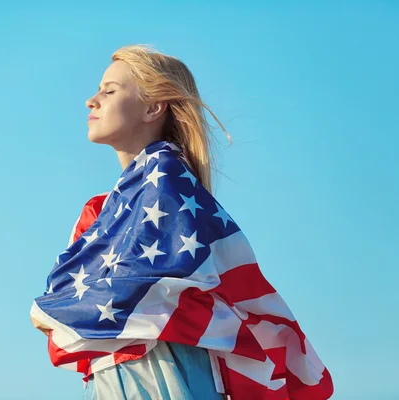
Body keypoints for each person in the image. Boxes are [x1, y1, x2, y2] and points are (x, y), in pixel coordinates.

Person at [30, 45, 333, 400]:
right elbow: (72, 298)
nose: (91, 101)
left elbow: (123, 290)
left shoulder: (167, 179)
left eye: (110, 91)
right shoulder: (103, 210)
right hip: (115, 375)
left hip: (162, 370)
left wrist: (56, 308)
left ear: (152, 107)